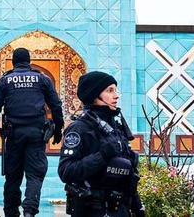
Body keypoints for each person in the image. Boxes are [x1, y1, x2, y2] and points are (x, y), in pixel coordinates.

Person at [0, 47, 64, 217]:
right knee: (35, 174)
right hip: (37, 133)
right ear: (28, 62)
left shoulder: (4, 81)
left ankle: (11, 213)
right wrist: (59, 128)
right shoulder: (42, 79)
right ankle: (29, 211)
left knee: (13, 176)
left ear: (13, 62)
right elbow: (56, 105)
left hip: (13, 135)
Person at [58, 71, 144, 217]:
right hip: (94, 209)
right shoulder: (80, 128)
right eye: (109, 91)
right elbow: (66, 171)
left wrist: (137, 207)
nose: (116, 95)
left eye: (115, 90)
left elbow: (128, 176)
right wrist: (102, 156)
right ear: (94, 96)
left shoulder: (116, 128)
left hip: (120, 209)